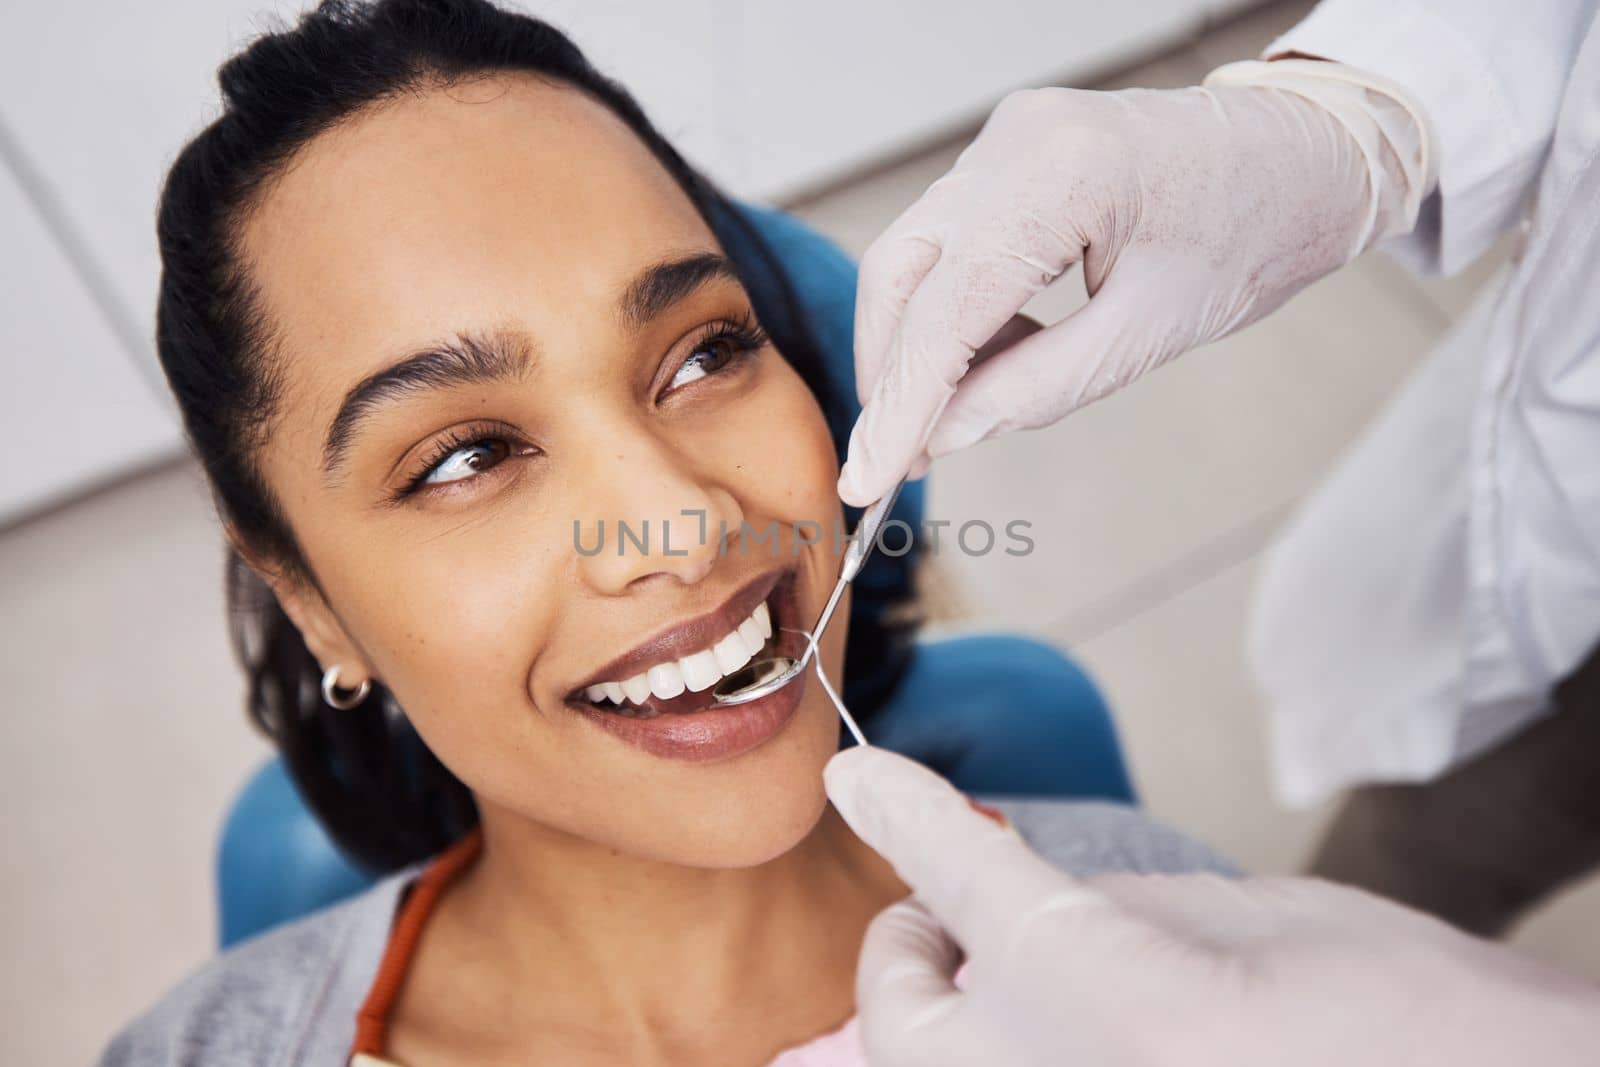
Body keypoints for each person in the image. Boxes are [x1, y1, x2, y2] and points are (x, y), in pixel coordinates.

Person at [101, 2, 1234, 1064]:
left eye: (705, 354)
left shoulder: (1174, 937)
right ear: (311, 602)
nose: (684, 528)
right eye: (467, 456)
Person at [832, 0, 1600, 1061]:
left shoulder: (1075, 802)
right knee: (1440, 824)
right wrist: (1360, 110)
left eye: (701, 358)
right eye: (503, 448)